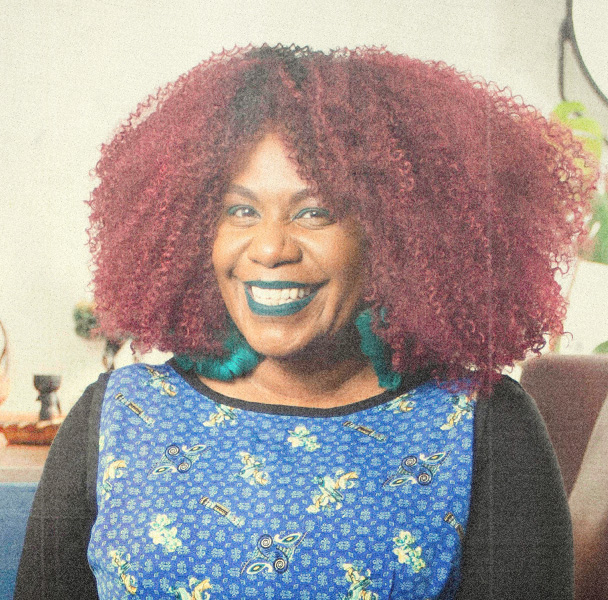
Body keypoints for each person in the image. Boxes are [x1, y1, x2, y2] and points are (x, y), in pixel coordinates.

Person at [15, 45, 597, 600]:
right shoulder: (116, 415)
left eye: (314, 212)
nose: (269, 247)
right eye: (239, 210)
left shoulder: (485, 426)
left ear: (393, 238)